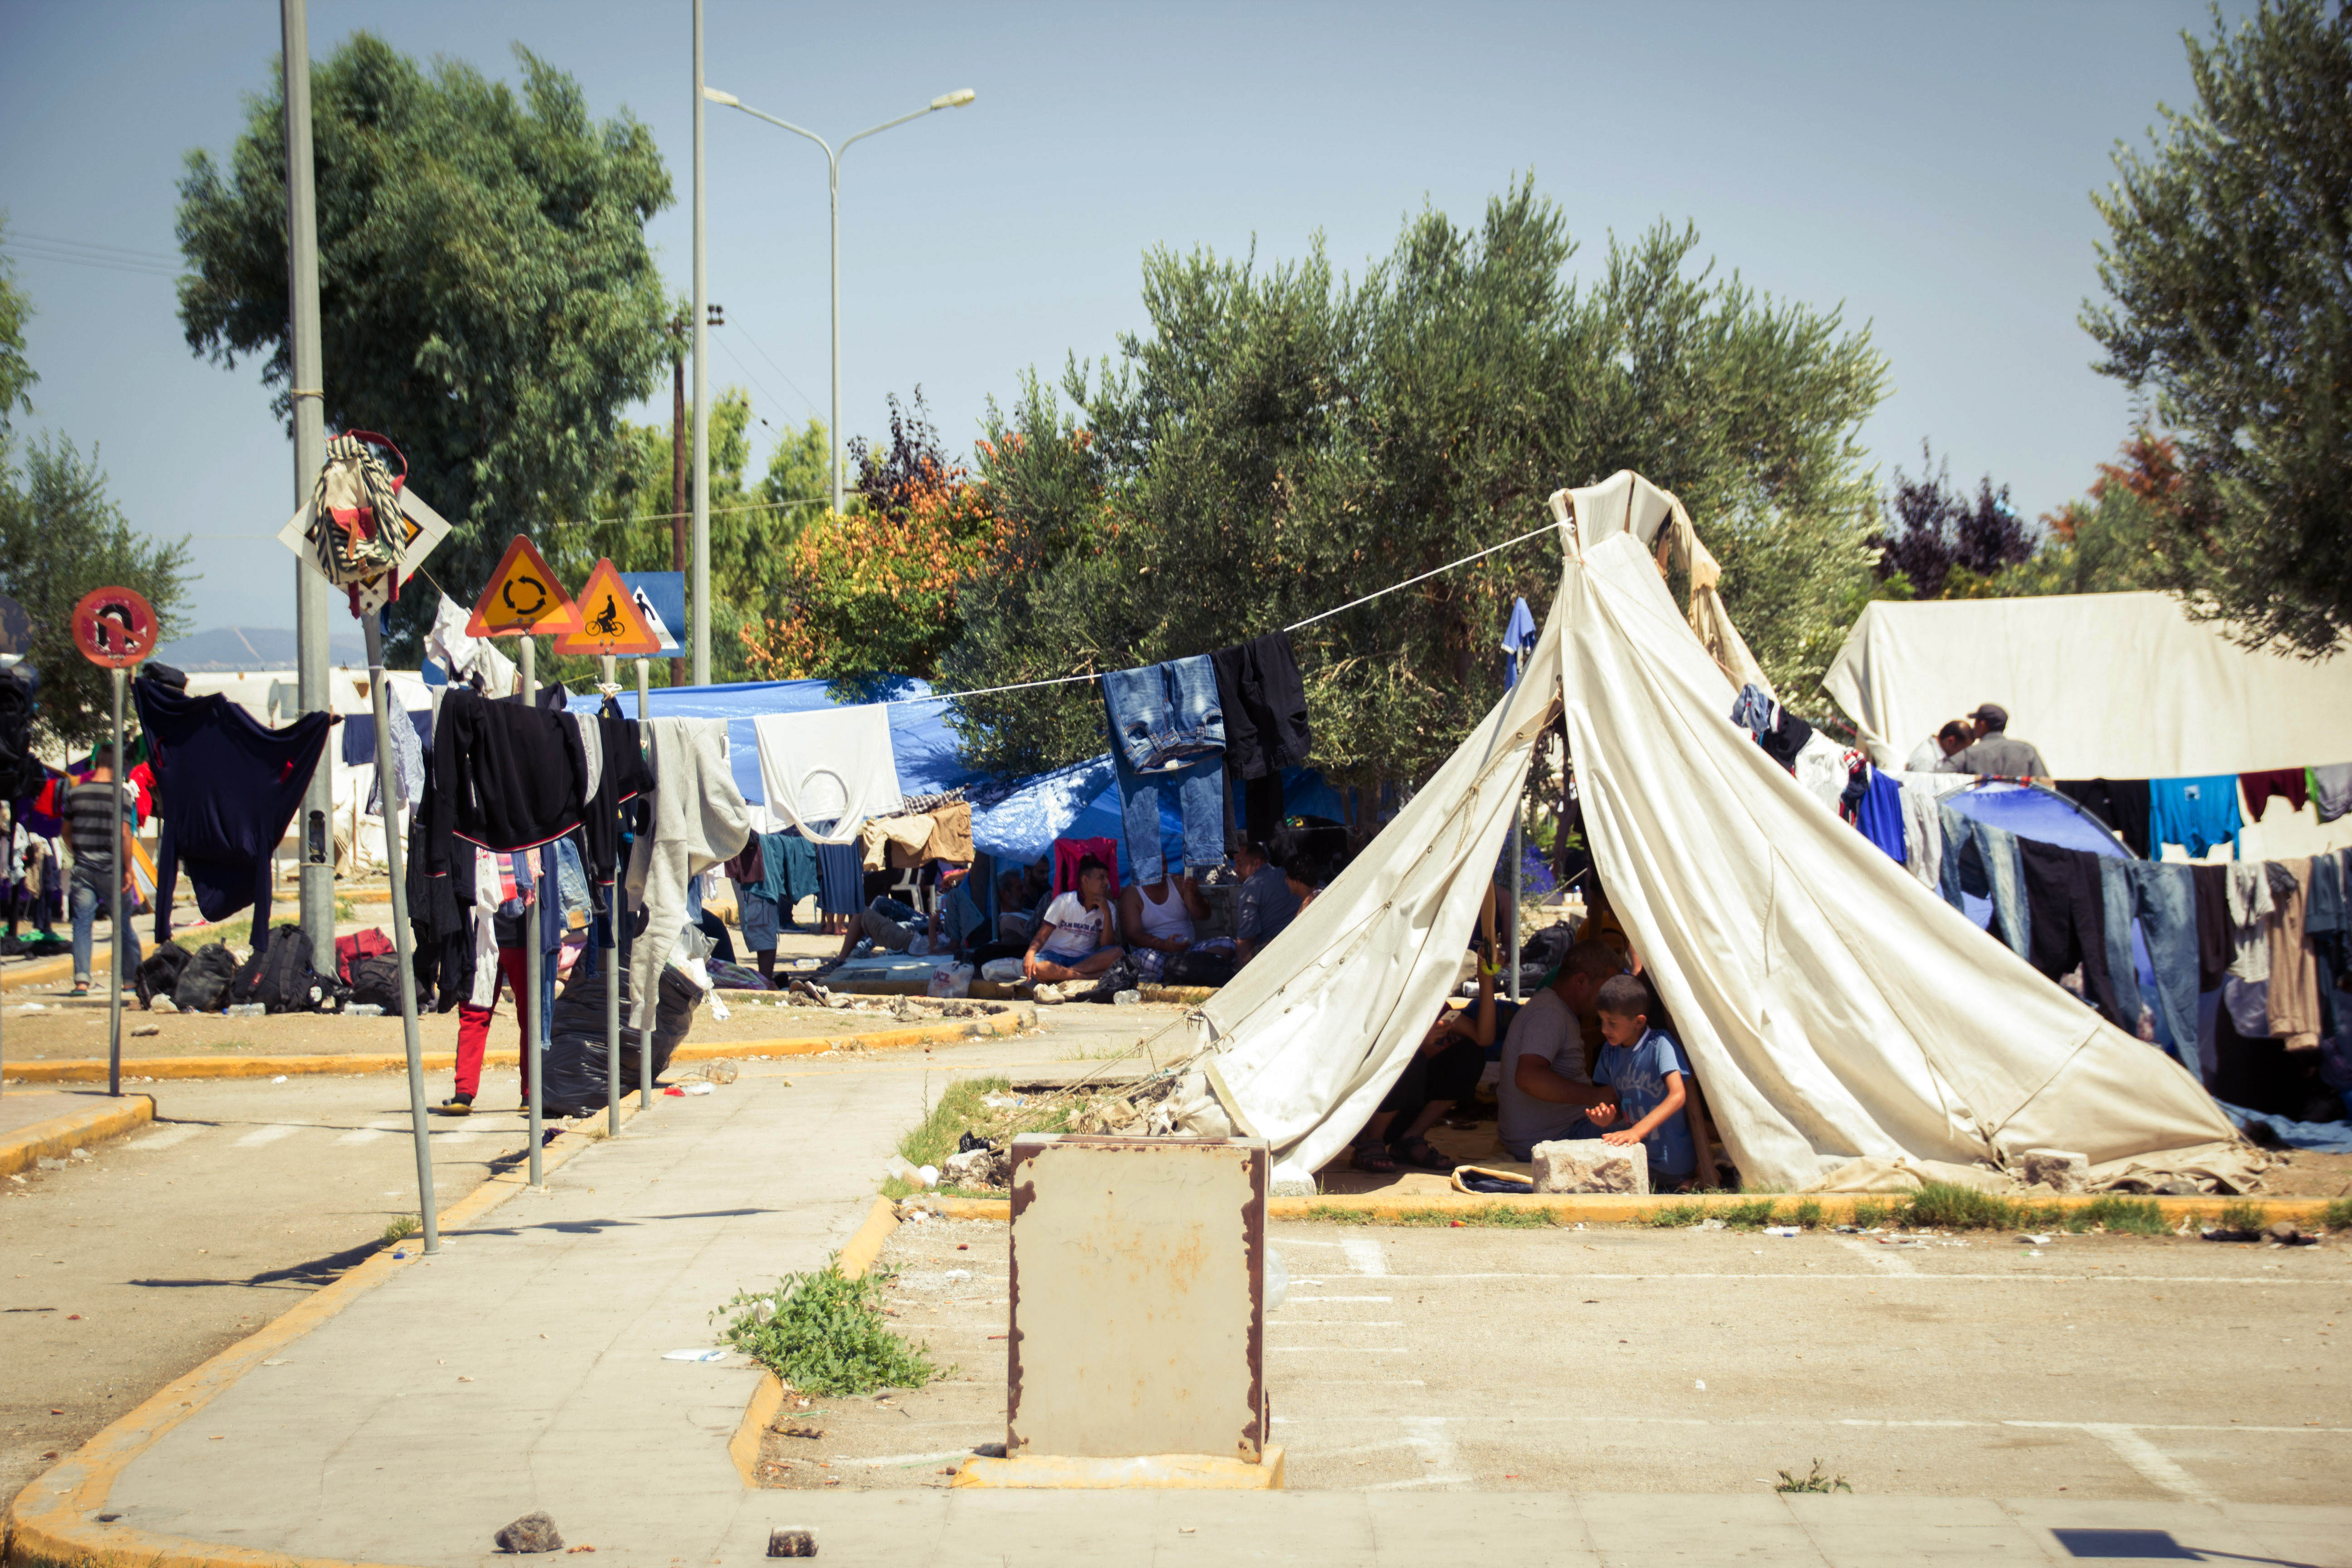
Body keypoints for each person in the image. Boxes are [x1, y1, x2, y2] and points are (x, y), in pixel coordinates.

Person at [1353, 892, 1504, 1172]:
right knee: (1409, 1058)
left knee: (1469, 1054)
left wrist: (1487, 981)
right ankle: (1370, 1140)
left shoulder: (1429, 998)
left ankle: (1410, 1138)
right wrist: (1419, 1044)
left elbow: (1483, 1038)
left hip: (1406, 1108)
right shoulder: (1376, 990)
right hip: (1365, 1110)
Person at [1496, 941, 1629, 1160]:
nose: (1610, 998)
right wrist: (1595, 1096)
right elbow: (1528, 1077)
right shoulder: (1549, 1014)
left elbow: (1566, 1045)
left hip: (1543, 1133)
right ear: (1581, 981)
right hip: (1552, 1136)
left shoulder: (1554, 1009)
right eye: (1606, 989)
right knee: (1650, 1125)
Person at [1585, 973, 1698, 1191]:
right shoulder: (1610, 1052)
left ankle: (1686, 1183)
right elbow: (1622, 1104)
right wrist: (1610, 1117)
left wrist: (1636, 1132)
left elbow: (1678, 1096)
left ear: (1639, 1022)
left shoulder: (1660, 1045)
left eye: (1612, 1023)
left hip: (1671, 1161)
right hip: (1637, 1157)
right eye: (1602, 1021)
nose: (1604, 1029)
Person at [64, 761, 142, 997]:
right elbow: (126, 834)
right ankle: (130, 981)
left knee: (82, 924)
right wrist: (128, 869)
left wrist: (78, 853)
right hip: (113, 871)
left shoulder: (74, 794)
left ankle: (81, 982)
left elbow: (66, 833)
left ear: (96, 765)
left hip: (83, 870)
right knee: (123, 924)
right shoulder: (121, 796)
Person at [1022, 854, 1125, 991]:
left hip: (1086, 960)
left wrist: (1106, 914)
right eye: (1101, 878)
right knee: (1036, 965)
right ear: (1085, 880)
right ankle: (1085, 977)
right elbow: (1042, 935)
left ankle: (1064, 975)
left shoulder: (1109, 907)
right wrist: (1030, 953)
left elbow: (1107, 946)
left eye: (1107, 878)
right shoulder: (1064, 901)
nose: (1107, 882)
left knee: (1118, 953)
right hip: (1054, 957)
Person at [1119, 871, 1208, 982]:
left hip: (1190, 951)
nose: (1161, 869)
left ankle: (1180, 974)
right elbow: (1133, 936)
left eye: (1164, 864)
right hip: (1156, 955)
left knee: (1227, 944)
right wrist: (1165, 945)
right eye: (1156, 864)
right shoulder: (1132, 893)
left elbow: (1204, 915)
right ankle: (1186, 974)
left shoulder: (1180, 883)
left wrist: (1195, 894)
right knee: (1142, 957)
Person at [1231, 837, 1300, 963]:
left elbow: (1246, 940)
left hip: (1272, 955)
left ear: (1257, 864)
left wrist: (1237, 975)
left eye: (1239, 864)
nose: (1235, 869)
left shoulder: (1249, 890)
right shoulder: (1285, 873)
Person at [1940, 703, 2049, 779]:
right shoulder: (2028, 750)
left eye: (1976, 722)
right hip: (2020, 810)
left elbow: (1937, 777)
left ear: (1982, 725)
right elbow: (2045, 785)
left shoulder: (1969, 754)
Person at [1904, 719, 1974, 774]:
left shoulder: (1938, 755)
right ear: (1951, 741)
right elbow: (1920, 790)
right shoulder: (1927, 759)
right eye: (1963, 749)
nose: (1963, 754)